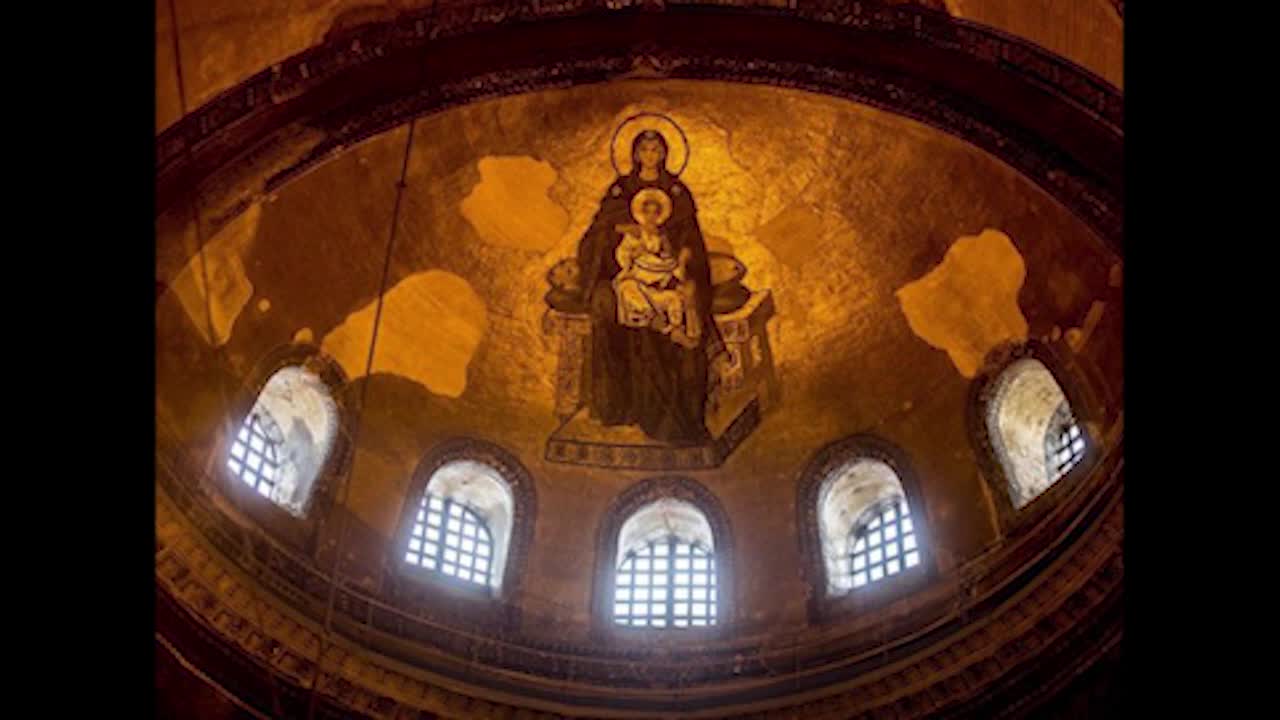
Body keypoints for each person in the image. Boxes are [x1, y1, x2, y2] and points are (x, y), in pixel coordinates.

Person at [574, 129, 725, 444]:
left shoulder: (678, 193)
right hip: (629, 276)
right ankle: (616, 404)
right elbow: (596, 237)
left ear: (666, 153)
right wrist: (621, 232)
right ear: (635, 153)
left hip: (668, 275)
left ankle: (680, 414)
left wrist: (681, 264)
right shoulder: (620, 190)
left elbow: (691, 242)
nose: (651, 154)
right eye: (645, 148)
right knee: (606, 304)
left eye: (657, 149)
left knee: (685, 305)